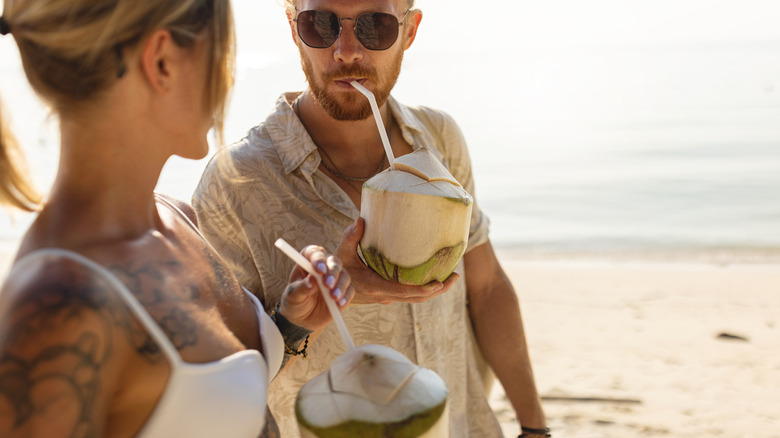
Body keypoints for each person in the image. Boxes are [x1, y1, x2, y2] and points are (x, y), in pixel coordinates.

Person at [193, 0, 549, 436]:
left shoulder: (439, 140)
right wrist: (294, 322)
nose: (346, 52)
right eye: (320, 25)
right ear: (293, 29)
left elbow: (488, 286)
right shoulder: (235, 182)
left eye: (375, 26)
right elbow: (220, 374)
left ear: (410, 31)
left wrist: (535, 427)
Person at [0, 1, 354, 437]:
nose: (229, 78)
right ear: (163, 61)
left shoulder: (175, 217)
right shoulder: (59, 307)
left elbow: (211, 406)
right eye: (222, 55)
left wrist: (294, 323)